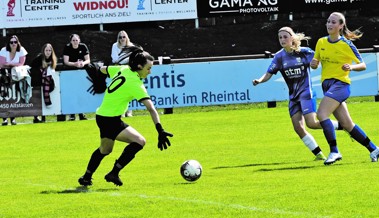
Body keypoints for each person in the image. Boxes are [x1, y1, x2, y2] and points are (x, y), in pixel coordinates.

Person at [78, 49, 173, 187]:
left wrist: (99, 75)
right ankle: (114, 173)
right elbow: (151, 108)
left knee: (105, 150)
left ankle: (86, 177)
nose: (150, 72)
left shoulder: (123, 69)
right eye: (149, 68)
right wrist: (160, 130)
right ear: (139, 67)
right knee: (140, 141)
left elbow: (103, 69)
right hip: (110, 119)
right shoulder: (135, 84)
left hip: (103, 116)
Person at [253, 27, 343, 161]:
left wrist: (319, 63)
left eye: (285, 37)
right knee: (298, 128)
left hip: (306, 93)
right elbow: (269, 73)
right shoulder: (279, 56)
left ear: (292, 38)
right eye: (280, 37)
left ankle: (344, 126)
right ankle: (318, 154)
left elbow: (319, 60)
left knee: (312, 123)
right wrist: (260, 80)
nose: (282, 40)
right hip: (293, 97)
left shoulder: (304, 53)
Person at [310, 12, 379, 165]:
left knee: (321, 115)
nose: (329, 24)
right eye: (328, 21)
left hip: (341, 85)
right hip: (327, 86)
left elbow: (363, 64)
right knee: (347, 125)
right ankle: (374, 148)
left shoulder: (347, 44)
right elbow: (315, 61)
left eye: (333, 22)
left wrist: (352, 67)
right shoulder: (321, 42)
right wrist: (313, 64)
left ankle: (334, 151)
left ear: (341, 26)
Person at [111, 30, 141, 117]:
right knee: (121, 92)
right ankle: (122, 112)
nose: (122, 39)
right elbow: (115, 59)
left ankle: (129, 112)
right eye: (120, 37)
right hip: (119, 70)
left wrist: (126, 60)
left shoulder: (131, 46)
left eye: (124, 37)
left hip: (129, 70)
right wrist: (127, 60)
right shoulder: (115, 46)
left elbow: (134, 58)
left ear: (127, 37)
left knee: (130, 91)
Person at [0, 35, 28, 126]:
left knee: (14, 96)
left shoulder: (22, 50)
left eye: (15, 42)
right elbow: (2, 64)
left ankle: (13, 118)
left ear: (18, 43)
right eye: (11, 42)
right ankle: (4, 119)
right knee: (4, 95)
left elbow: (21, 64)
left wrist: (9, 64)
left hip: (17, 75)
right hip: (4, 75)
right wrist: (14, 64)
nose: (13, 44)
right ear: (9, 43)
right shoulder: (3, 50)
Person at [63, 33, 89, 121]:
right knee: (71, 93)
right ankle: (72, 114)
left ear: (79, 40)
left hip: (81, 73)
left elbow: (88, 60)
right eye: (73, 40)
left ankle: (82, 113)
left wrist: (83, 63)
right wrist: (75, 64)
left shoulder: (83, 46)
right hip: (70, 73)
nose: (75, 42)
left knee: (81, 93)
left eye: (76, 40)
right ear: (70, 41)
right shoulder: (67, 47)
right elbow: (66, 62)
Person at [30, 43, 57, 123]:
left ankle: (44, 118)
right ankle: (36, 117)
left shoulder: (53, 59)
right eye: (46, 50)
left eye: (49, 50)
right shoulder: (39, 58)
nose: (48, 52)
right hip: (37, 81)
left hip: (47, 82)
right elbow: (32, 67)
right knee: (37, 98)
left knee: (46, 93)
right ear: (43, 51)